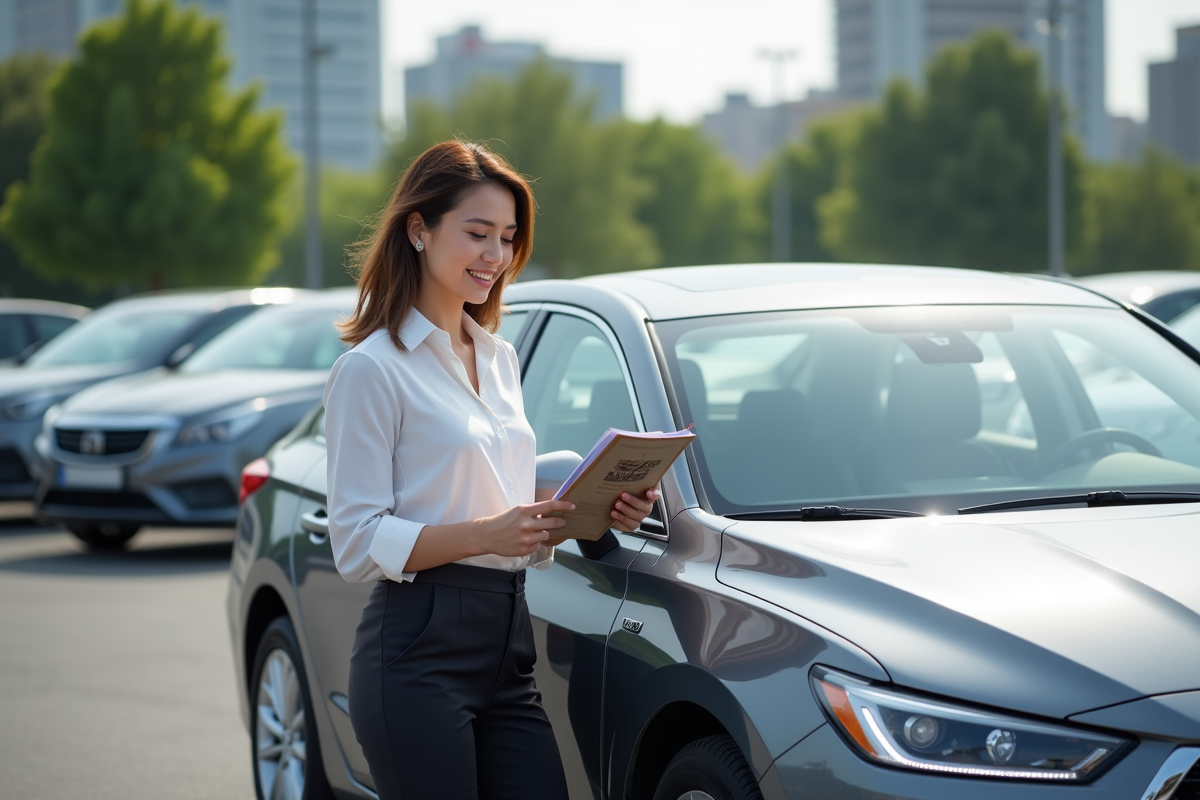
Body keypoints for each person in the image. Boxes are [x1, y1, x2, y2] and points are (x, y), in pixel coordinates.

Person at [322, 139, 658, 800]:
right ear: (418, 229)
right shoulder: (372, 369)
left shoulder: (499, 359)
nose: (496, 257)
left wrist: (586, 508)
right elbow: (356, 542)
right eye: (477, 234)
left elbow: (496, 505)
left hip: (509, 644)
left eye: (506, 238)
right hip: (417, 652)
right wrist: (487, 534)